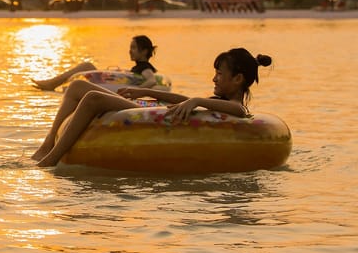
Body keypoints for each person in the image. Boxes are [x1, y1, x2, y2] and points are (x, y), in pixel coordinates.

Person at [33, 47, 272, 167]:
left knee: (93, 98)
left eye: (219, 74)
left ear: (238, 79)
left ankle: (51, 160)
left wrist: (196, 101)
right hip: (153, 112)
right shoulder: (218, 102)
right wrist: (146, 91)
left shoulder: (235, 108)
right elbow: (182, 99)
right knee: (76, 88)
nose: (214, 79)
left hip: (153, 117)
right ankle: (47, 144)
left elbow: (241, 111)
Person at [31, 35, 160, 91]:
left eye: (133, 48)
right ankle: (52, 82)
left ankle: (52, 83)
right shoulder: (138, 68)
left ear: (144, 51)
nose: (130, 51)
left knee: (87, 66)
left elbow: (152, 80)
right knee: (87, 66)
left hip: (126, 92)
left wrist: (134, 91)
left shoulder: (145, 68)